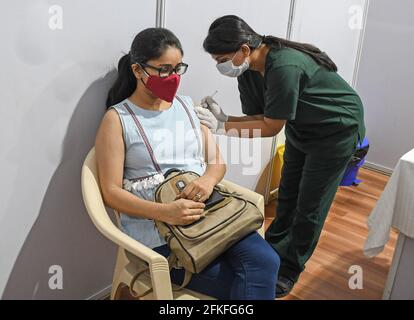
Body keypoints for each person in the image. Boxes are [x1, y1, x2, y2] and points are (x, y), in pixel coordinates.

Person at [95, 27, 280, 300]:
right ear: (137, 70)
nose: (172, 77)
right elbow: (110, 193)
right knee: (240, 283)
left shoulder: (185, 107)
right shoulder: (117, 119)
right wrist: (166, 212)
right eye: (164, 69)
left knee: (267, 263)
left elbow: (216, 162)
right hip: (159, 230)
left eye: (177, 68)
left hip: (209, 213)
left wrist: (206, 181)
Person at [196, 15, 366, 298]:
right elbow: (258, 118)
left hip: (336, 129)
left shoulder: (285, 65)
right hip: (303, 128)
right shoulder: (247, 72)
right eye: (215, 60)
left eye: (222, 58)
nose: (220, 66)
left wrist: (223, 126)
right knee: (288, 194)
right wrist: (224, 118)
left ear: (244, 49)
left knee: (310, 205)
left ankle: (289, 269)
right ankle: (272, 254)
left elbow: (271, 128)